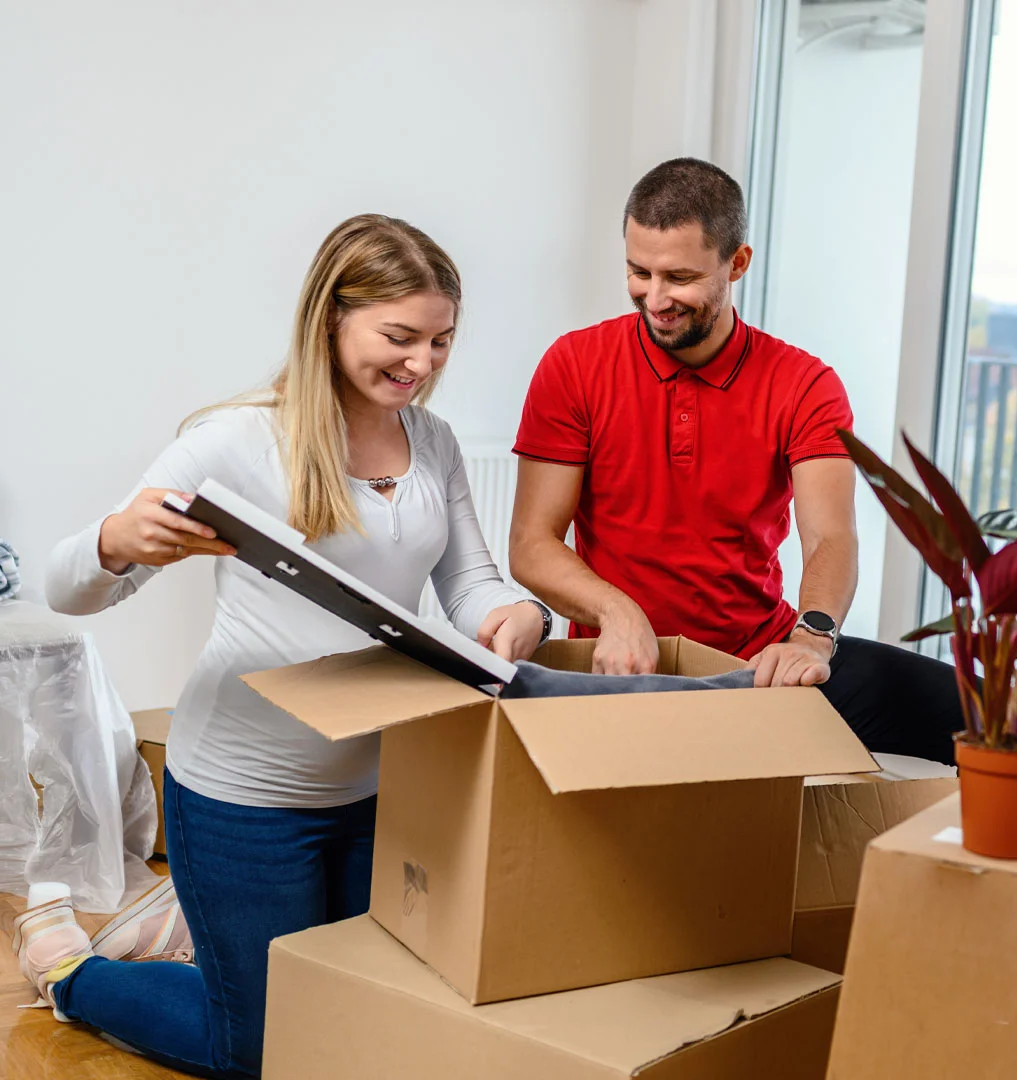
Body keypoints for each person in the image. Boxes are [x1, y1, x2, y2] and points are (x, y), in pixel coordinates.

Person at [29, 215, 548, 1079]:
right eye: (400, 337)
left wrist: (515, 613)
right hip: (243, 799)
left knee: (350, 1021)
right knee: (261, 1052)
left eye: (443, 341)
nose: (422, 363)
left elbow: (470, 584)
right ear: (330, 320)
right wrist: (118, 538)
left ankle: (189, 932)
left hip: (381, 789)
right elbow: (68, 588)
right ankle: (70, 970)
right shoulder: (239, 441)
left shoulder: (436, 444)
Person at [510, 158, 964, 763]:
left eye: (680, 276)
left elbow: (831, 537)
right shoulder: (572, 366)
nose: (656, 297)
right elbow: (531, 544)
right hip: (622, 666)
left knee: (975, 714)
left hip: (759, 666)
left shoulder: (805, 384)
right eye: (638, 272)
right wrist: (617, 612)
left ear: (737, 264)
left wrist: (813, 637)